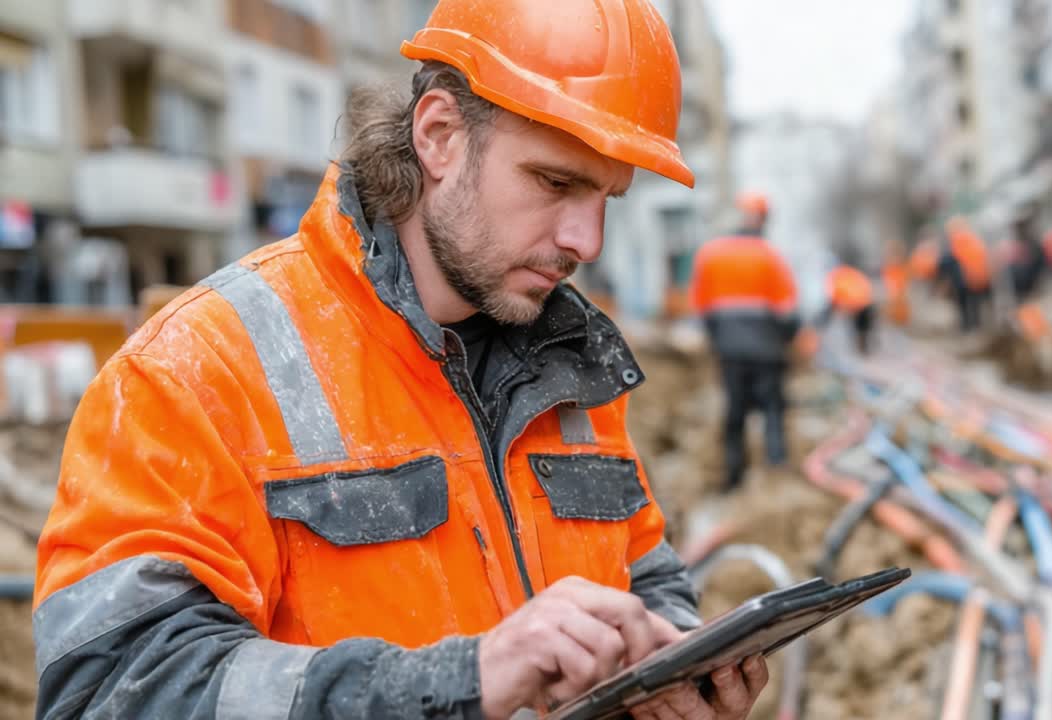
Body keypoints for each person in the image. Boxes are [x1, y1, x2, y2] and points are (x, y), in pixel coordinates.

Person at [31, 2, 769, 719]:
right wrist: (460, 680)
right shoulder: (199, 365)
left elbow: (642, 567)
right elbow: (114, 689)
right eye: (555, 182)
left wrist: (668, 660)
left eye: (608, 196)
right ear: (440, 134)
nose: (587, 240)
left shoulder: (574, 366)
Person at [689, 191, 798, 493]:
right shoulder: (770, 256)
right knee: (773, 409)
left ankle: (734, 475)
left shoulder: (710, 255)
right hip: (768, 351)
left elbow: (702, 309)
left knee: (735, 411)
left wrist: (719, 341)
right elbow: (787, 313)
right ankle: (776, 470)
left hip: (730, 351)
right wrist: (786, 341)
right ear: (763, 219)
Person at [939, 217, 991, 333]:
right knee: (975, 305)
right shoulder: (974, 239)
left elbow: (947, 261)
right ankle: (976, 327)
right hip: (979, 279)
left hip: (965, 280)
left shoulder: (957, 241)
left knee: (965, 305)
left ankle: (968, 327)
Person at [820, 264, 877, 355]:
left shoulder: (844, 278)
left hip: (858, 303)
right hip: (854, 302)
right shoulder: (842, 278)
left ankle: (862, 343)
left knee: (862, 323)